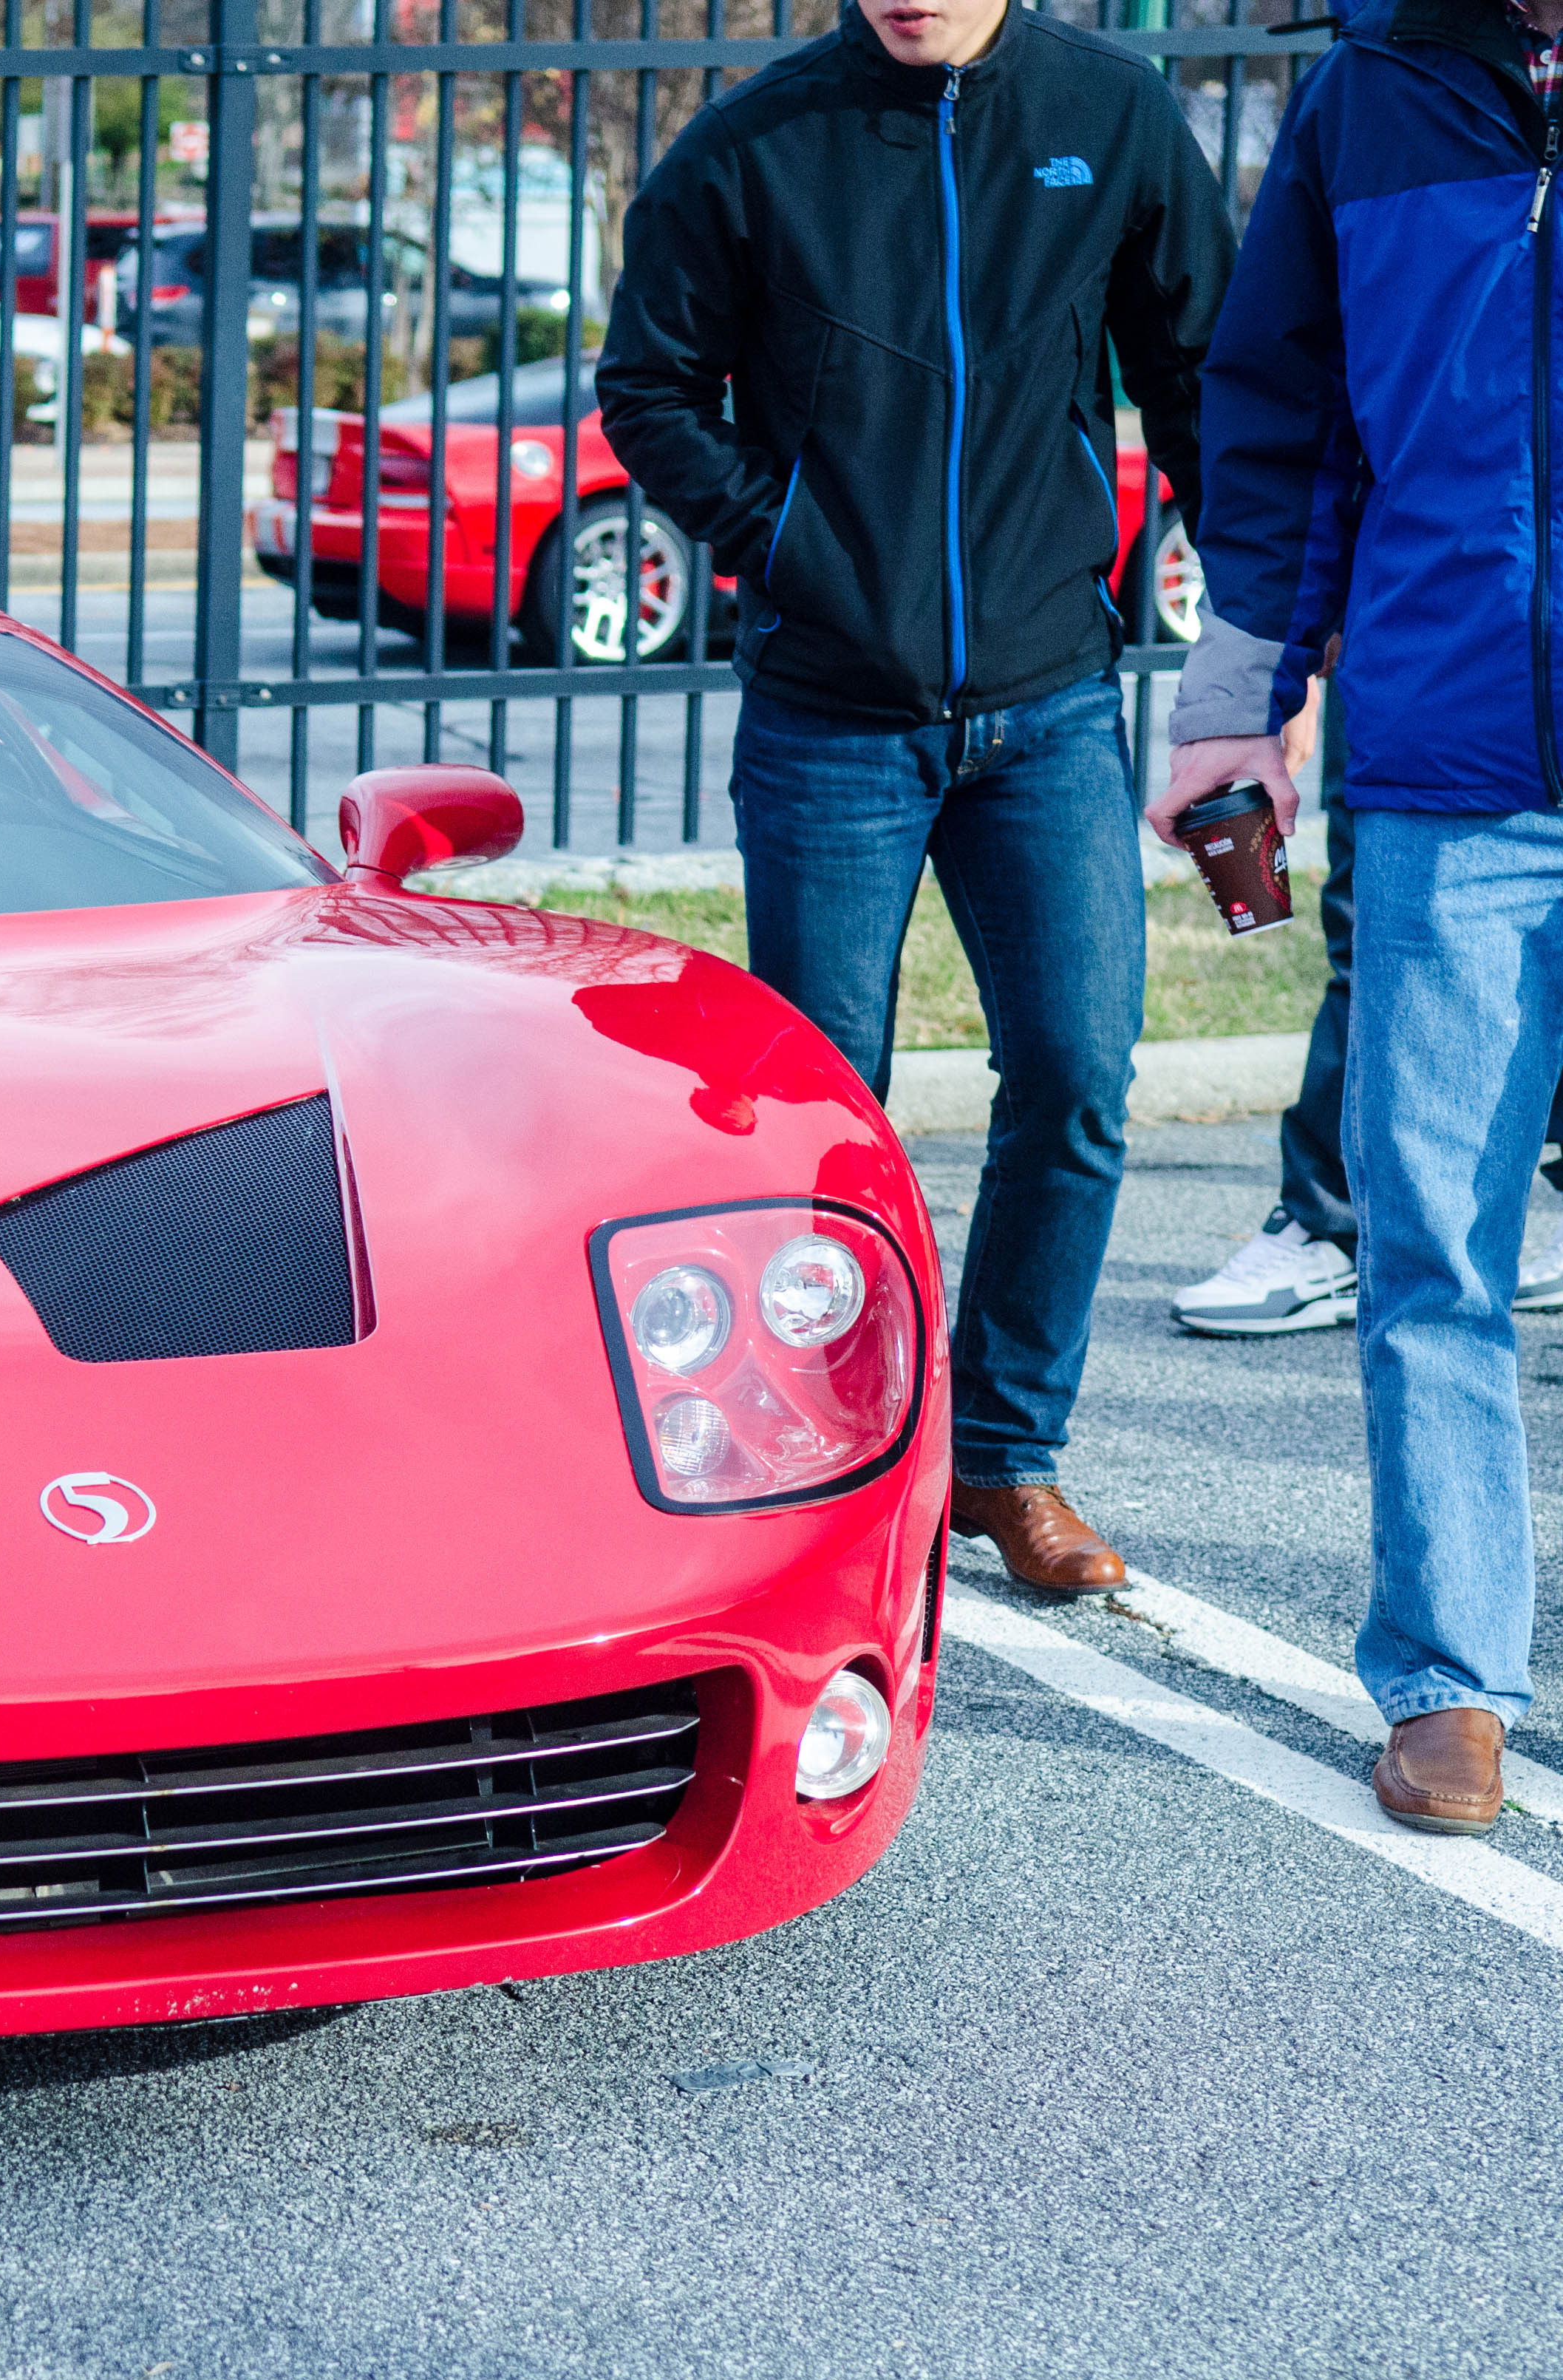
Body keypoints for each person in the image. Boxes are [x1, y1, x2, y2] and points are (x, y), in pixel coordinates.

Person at [596, 0, 1233, 1599]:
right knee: (821, 1121)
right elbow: (648, 388)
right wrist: (788, 538)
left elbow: (1201, 372)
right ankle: (823, 1472)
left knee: (1078, 1079)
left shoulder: (1116, 112)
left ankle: (1006, 1459)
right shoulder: (751, 140)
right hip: (829, 721)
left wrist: (1254, 617)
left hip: (1048, 704)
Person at [1155, 0, 1563, 1835]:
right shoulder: (1365, 99)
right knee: (1434, 1245)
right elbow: (1283, 418)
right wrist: (1238, 695)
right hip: (1448, 764)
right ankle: (1450, 1678)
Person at [1171, 695, 1563, 1333]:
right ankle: (1335, 1225)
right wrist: (1279, 670)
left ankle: (1339, 1227)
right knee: (1386, 950)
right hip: (1423, 671)